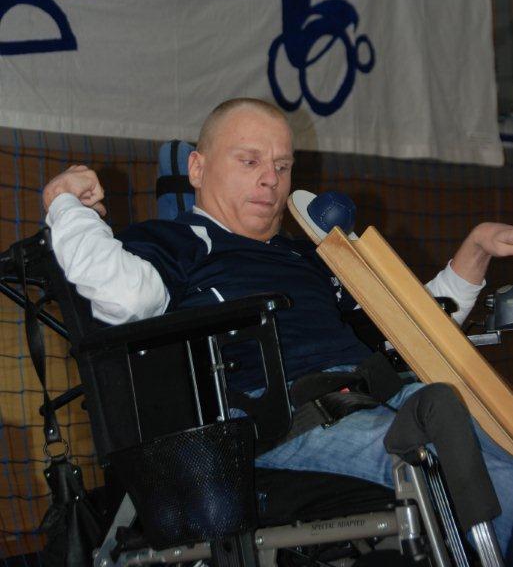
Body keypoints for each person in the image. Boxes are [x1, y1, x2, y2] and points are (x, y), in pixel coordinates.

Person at [42, 98, 513, 561]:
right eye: (249, 161)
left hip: (385, 397)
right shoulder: (173, 242)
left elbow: (409, 330)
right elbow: (125, 299)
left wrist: (475, 251)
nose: (271, 179)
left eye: (282, 166)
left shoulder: (309, 256)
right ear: (197, 169)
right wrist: (62, 201)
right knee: (472, 469)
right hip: (283, 421)